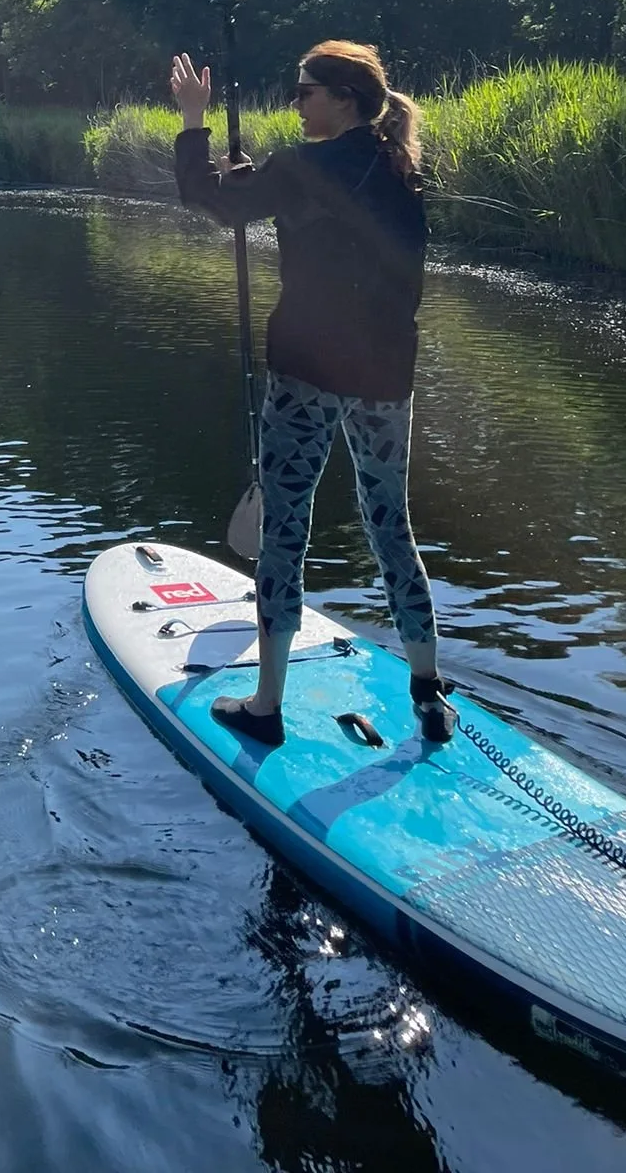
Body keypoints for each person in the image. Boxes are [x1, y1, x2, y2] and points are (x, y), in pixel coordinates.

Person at [169, 38, 454, 748]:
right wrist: (260, 182)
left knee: (285, 526)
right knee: (391, 522)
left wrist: (194, 121)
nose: (295, 103)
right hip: (387, 375)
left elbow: (207, 198)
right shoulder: (400, 165)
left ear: (343, 98)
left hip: (306, 372)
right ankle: (428, 693)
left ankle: (266, 705)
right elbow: (324, 220)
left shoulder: (301, 167)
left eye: (304, 92)